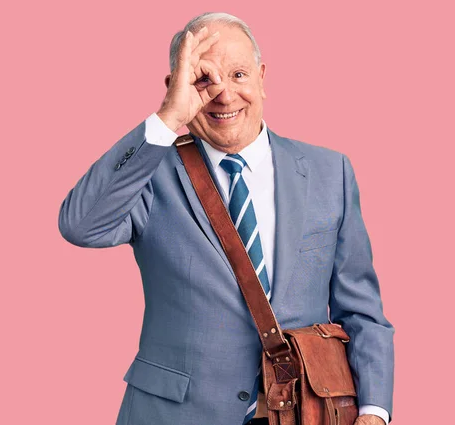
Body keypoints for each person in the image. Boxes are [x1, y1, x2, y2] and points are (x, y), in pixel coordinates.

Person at [58, 12, 394, 425]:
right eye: (203, 80)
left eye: (238, 74)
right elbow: (80, 224)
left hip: (303, 412)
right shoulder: (148, 176)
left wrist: (375, 412)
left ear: (262, 76)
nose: (224, 95)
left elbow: (361, 310)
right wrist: (167, 117)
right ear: (175, 87)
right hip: (175, 414)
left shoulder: (330, 172)